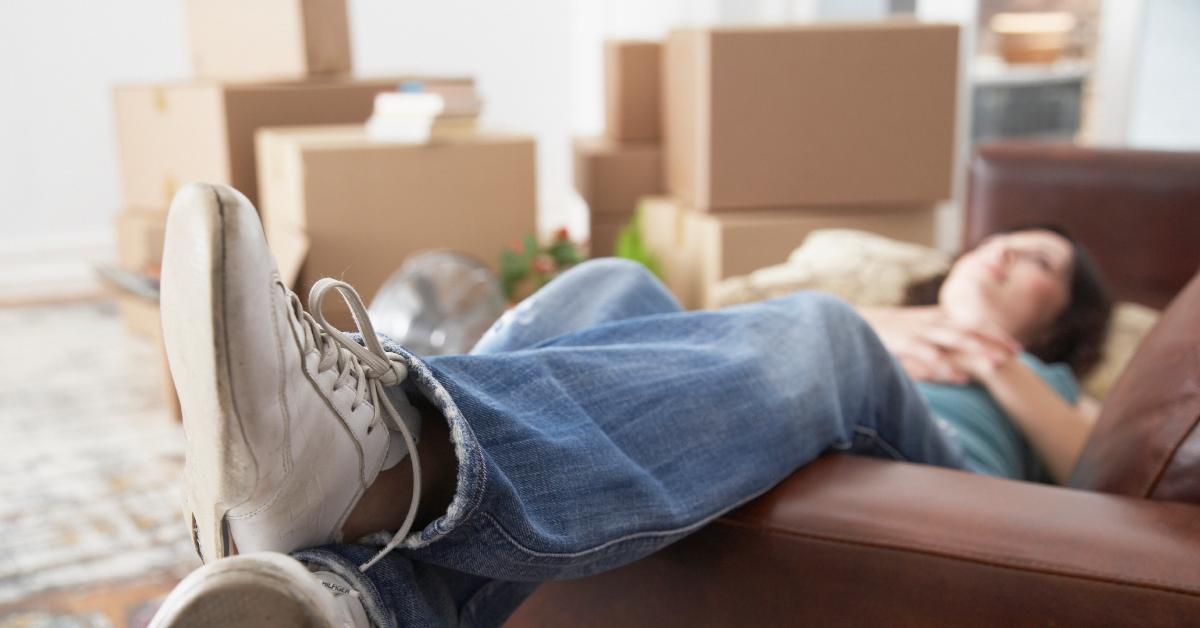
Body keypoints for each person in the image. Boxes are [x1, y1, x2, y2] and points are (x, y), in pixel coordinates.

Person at [147, 184, 1111, 628]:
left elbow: (1095, 466)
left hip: (938, 465)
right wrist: (881, 324)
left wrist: (999, 367)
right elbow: (714, 337)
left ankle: (393, 445)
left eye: (1040, 266)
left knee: (822, 330)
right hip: (828, 387)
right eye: (1005, 239)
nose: (1006, 252)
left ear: (1061, 324)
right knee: (611, 285)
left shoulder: (1046, 379)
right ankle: (357, 600)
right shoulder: (877, 309)